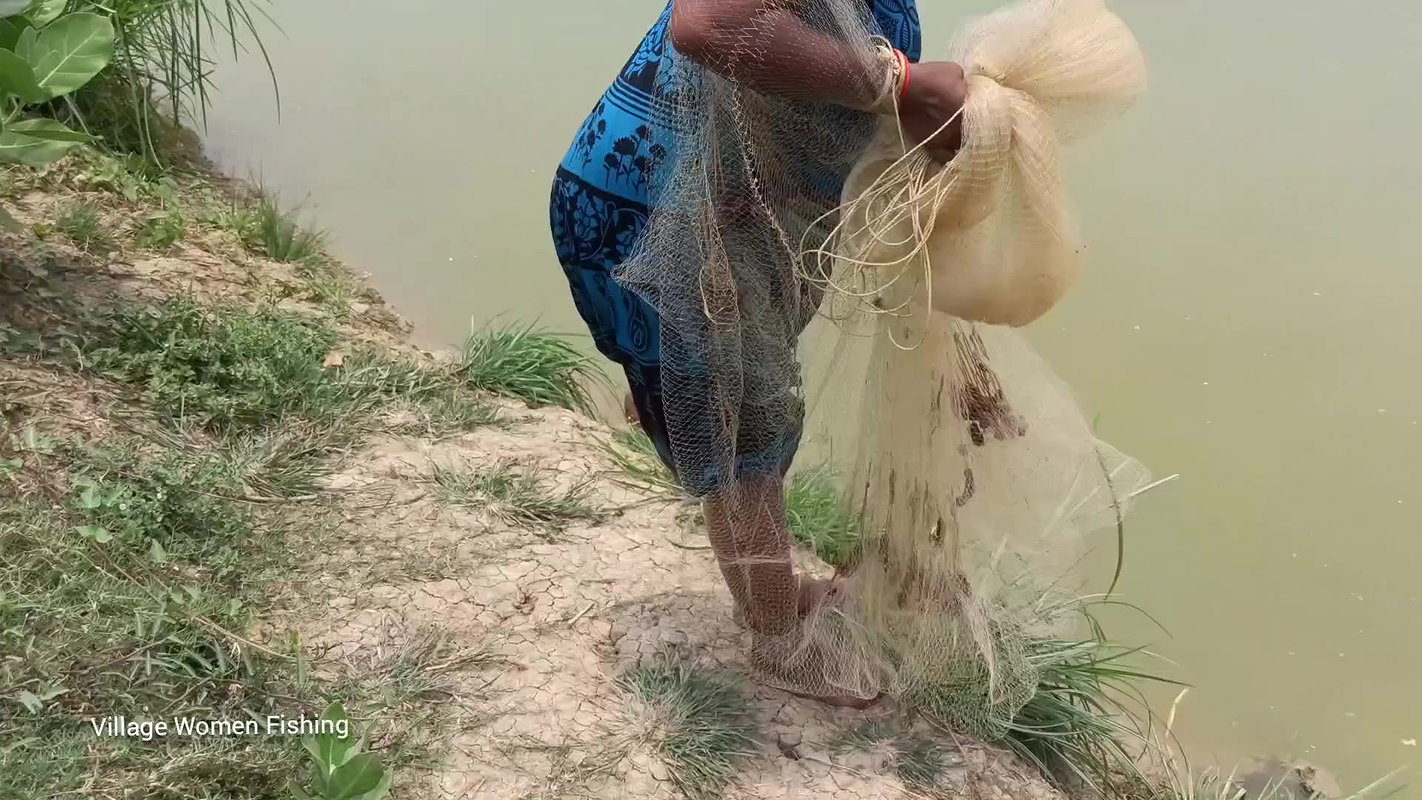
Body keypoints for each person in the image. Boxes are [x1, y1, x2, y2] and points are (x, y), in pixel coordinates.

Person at [549, 0, 968, 707]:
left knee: (730, 395)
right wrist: (899, 83)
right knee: (750, 433)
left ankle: (670, 393)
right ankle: (777, 639)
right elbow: (709, 25)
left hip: (723, 206)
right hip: (664, 215)